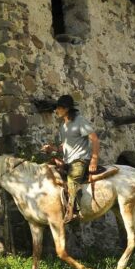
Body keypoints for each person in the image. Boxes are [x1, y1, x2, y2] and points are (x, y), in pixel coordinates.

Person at [42, 94, 101, 224]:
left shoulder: (80, 121)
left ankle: (72, 212)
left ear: (66, 109)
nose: (56, 111)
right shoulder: (63, 126)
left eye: (58, 108)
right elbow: (65, 146)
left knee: (72, 178)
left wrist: (94, 160)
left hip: (80, 159)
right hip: (68, 160)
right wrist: (53, 149)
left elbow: (95, 139)